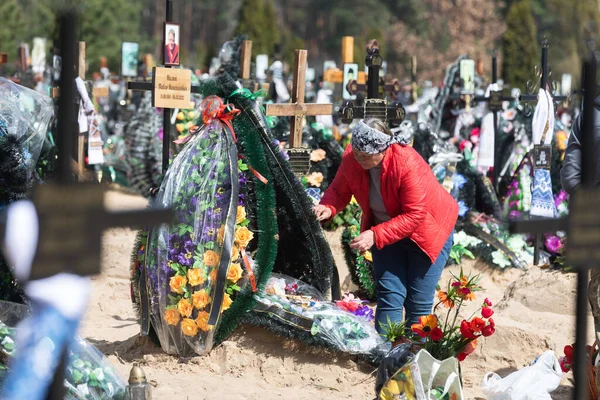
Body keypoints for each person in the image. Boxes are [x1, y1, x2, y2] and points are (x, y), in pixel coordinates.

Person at [313, 118, 458, 333]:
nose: (360, 159)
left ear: (383, 150)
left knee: (418, 302)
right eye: (357, 153)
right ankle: (382, 353)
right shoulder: (353, 157)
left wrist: (374, 234)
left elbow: (415, 214)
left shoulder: (407, 163)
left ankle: (413, 356)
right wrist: (328, 206)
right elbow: (339, 190)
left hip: (427, 233)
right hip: (386, 233)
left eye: (366, 156)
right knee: (389, 295)